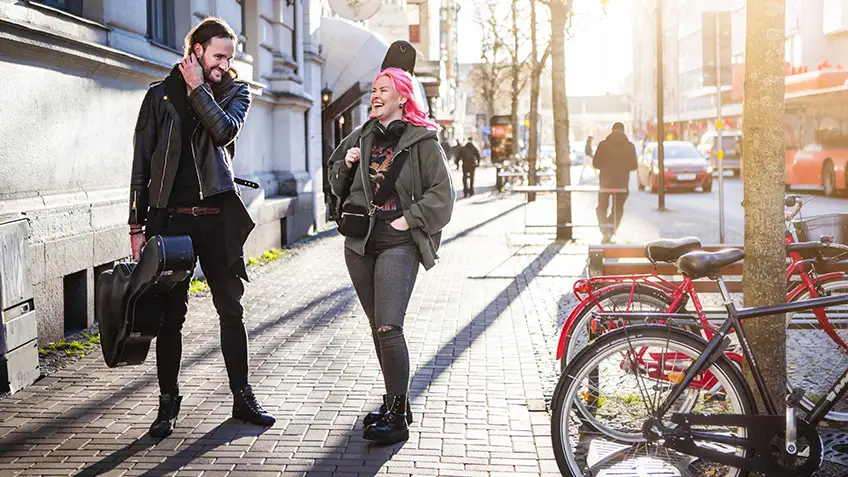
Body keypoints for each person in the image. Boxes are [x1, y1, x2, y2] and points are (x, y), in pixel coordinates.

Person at [128, 17, 275, 439]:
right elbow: (141, 162)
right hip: (171, 222)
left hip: (215, 222)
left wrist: (198, 88)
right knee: (169, 318)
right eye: (217, 55)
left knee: (231, 308)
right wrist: (136, 225)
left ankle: (242, 396)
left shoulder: (234, 91)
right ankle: (168, 403)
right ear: (196, 50)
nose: (225, 63)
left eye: (229, 57)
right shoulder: (158, 96)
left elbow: (224, 130)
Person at [328, 67, 455, 445]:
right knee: (378, 330)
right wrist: (346, 164)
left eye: (384, 90)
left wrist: (408, 220)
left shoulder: (423, 141)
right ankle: (394, 403)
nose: (376, 96)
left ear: (403, 96)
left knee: (388, 327)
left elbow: (442, 197)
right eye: (374, 90)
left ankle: (397, 417)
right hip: (359, 245)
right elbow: (335, 184)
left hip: (398, 243)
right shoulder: (362, 135)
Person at [592, 122, 637, 243]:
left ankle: (605, 230)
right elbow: (634, 166)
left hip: (605, 184)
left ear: (612, 131)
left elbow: (595, 163)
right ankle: (611, 230)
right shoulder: (630, 146)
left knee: (602, 208)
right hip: (622, 184)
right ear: (624, 131)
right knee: (618, 209)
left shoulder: (603, 145)